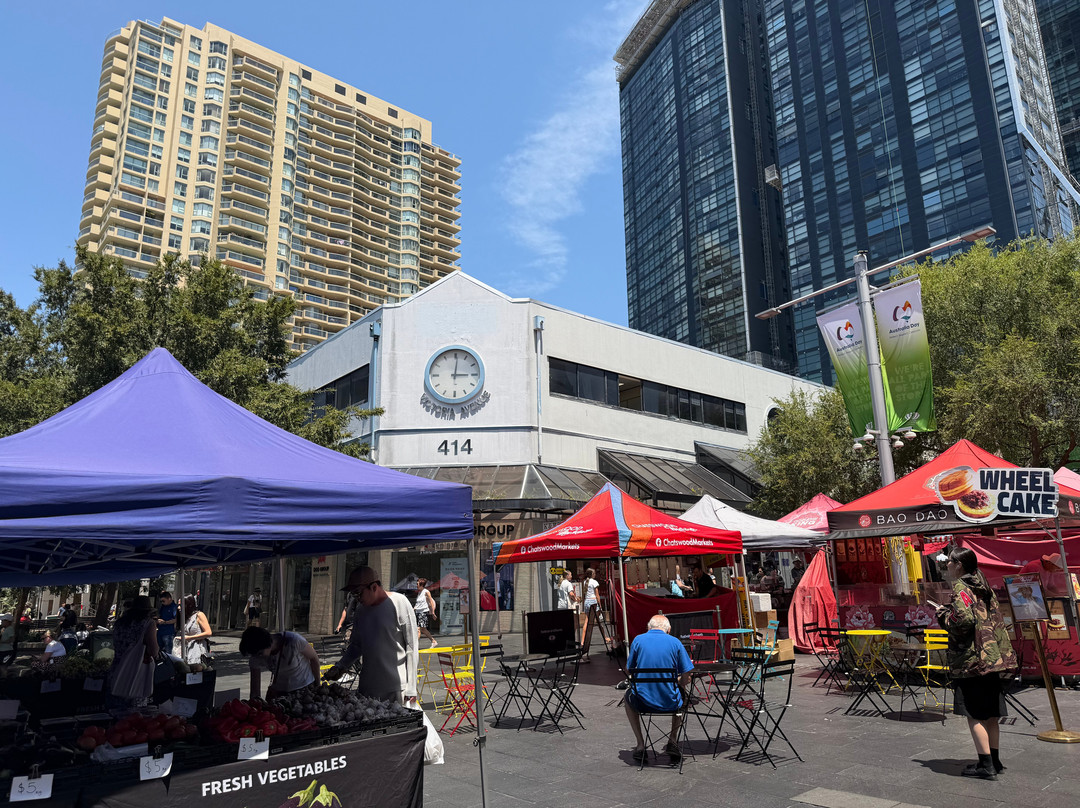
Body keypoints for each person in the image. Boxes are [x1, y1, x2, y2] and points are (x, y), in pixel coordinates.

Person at [935, 547, 1017, 780]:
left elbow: (964, 619)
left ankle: (985, 764)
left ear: (958, 565)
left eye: (949, 562)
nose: (947, 565)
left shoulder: (962, 586)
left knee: (974, 713)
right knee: (991, 713)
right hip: (992, 655)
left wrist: (943, 615)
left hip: (972, 659)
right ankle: (995, 759)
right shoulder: (983, 584)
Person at [325, 566, 418, 703]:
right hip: (367, 689)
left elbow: (412, 647)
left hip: (396, 689)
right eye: (353, 594)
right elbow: (356, 645)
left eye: (358, 593)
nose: (356, 598)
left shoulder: (399, 602)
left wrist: (411, 689)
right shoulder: (360, 611)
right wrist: (341, 666)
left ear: (374, 587)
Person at [624, 614, 694, 763]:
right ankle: (673, 740)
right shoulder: (675, 642)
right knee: (683, 693)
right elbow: (687, 675)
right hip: (671, 702)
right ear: (668, 630)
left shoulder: (638, 640)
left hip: (642, 702)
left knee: (627, 697)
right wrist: (678, 681)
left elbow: (629, 669)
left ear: (649, 627)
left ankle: (640, 744)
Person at [239, 626, 320, 699]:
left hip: (304, 688)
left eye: (260, 653)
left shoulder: (293, 640)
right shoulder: (255, 656)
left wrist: (317, 684)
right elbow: (255, 690)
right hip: (280, 692)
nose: (258, 657)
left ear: (268, 644)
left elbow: (314, 658)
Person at [107, 596, 158, 708]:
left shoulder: (120, 623)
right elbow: (153, 650)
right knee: (133, 716)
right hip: (136, 673)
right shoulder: (148, 624)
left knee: (116, 713)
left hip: (117, 670)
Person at [173, 595, 213, 668]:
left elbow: (208, 632)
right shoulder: (183, 616)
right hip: (184, 649)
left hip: (197, 649)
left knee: (196, 670)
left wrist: (190, 638)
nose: (179, 607)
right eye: (178, 605)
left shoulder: (199, 615)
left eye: (181, 605)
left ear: (189, 605)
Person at [414, 577, 438, 648]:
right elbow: (418, 604)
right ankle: (433, 641)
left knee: (418, 629)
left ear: (421, 584)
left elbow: (431, 601)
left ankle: (415, 646)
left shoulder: (426, 592)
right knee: (423, 629)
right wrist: (413, 609)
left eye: (417, 583)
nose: (416, 585)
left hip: (423, 613)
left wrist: (433, 612)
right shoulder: (419, 593)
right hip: (418, 612)